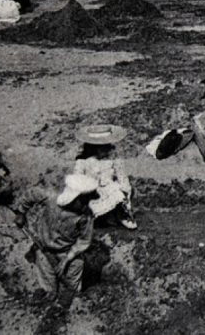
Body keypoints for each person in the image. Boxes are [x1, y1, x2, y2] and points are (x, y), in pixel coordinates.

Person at [13, 174, 98, 302]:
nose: (86, 205)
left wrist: (67, 259)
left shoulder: (85, 216)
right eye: (83, 201)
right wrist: (20, 212)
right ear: (72, 198)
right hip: (44, 248)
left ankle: (72, 303)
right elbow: (31, 194)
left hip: (69, 252)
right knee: (48, 289)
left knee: (72, 290)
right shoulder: (51, 199)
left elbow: (84, 240)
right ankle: (50, 302)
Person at [73, 124, 137, 229]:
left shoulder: (114, 160)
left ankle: (119, 216)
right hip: (92, 191)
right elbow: (77, 177)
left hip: (109, 188)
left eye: (106, 146)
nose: (105, 150)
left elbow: (122, 177)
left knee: (117, 192)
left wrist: (126, 193)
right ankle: (96, 218)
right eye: (100, 147)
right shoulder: (83, 161)